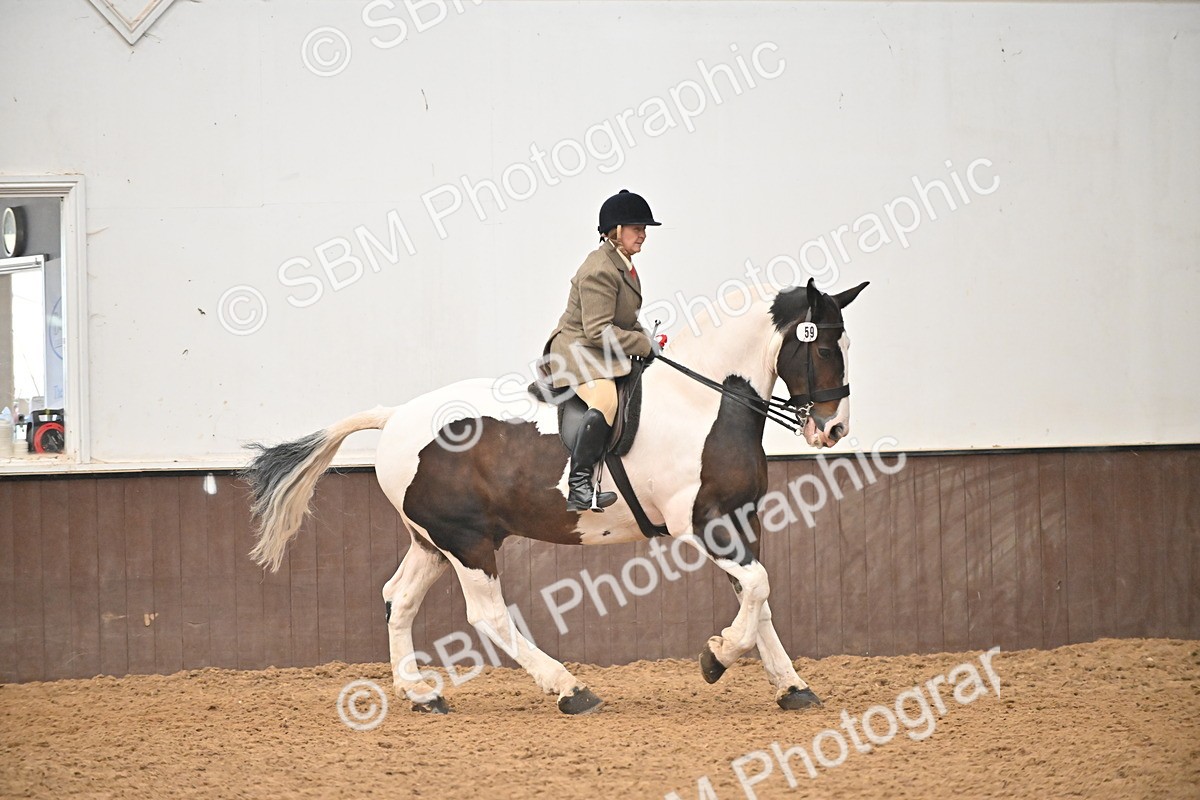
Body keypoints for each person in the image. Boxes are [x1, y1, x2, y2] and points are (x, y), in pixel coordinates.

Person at [541, 190, 667, 512]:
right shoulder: (599, 268)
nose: (643, 235)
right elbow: (598, 330)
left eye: (644, 228)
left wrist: (647, 338)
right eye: (637, 228)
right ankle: (579, 484)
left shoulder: (623, 264)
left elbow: (623, 319)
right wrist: (641, 344)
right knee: (606, 399)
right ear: (616, 230)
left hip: (598, 346)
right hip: (577, 348)